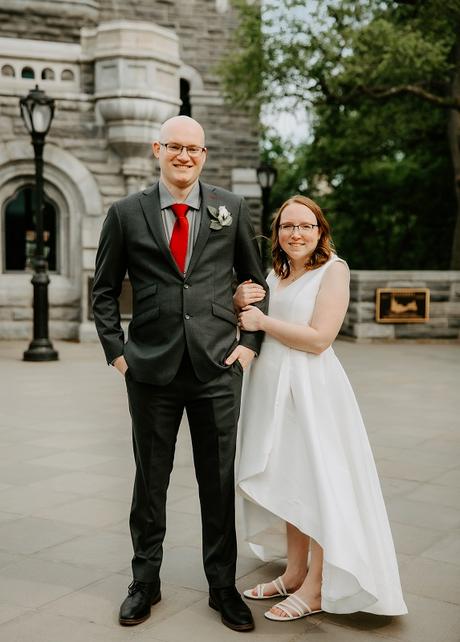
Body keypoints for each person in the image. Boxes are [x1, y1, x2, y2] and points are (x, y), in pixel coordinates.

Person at [92, 115, 268, 632]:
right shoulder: (125, 213)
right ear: (157, 150)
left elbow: (255, 282)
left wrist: (250, 346)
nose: (184, 156)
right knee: (151, 483)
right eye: (174, 147)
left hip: (217, 367)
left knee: (218, 481)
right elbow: (102, 291)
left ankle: (222, 586)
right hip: (150, 369)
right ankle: (144, 581)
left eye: (193, 148)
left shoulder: (230, 209)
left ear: (204, 154)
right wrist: (118, 353)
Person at [234, 195, 407, 621]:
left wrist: (262, 322)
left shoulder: (334, 270)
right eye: (287, 226)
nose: (296, 234)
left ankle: (316, 586)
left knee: (318, 485)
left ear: (320, 231)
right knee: (291, 481)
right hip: (271, 388)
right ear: (277, 234)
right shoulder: (276, 274)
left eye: (305, 226)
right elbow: (248, 312)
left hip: (311, 392)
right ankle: (294, 573)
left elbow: (319, 338)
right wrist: (241, 301)